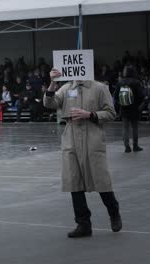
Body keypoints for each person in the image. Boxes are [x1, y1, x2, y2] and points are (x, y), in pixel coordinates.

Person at [43, 68, 122, 238]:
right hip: (71, 137)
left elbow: (111, 113)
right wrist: (52, 83)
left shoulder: (100, 88)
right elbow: (49, 104)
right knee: (74, 182)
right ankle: (83, 223)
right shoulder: (66, 89)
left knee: (101, 179)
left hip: (93, 137)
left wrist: (90, 114)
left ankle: (114, 212)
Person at [113, 66, 144, 152]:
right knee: (135, 128)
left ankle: (127, 147)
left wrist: (121, 103)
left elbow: (115, 96)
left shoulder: (120, 82)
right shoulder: (137, 82)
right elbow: (141, 96)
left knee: (125, 128)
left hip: (124, 108)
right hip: (135, 108)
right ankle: (135, 146)